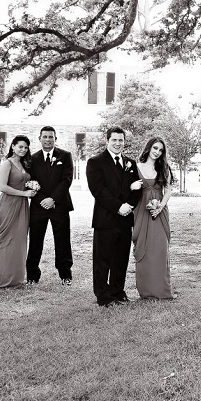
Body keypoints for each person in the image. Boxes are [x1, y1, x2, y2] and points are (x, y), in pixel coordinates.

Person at [86, 126, 141, 307]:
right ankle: (103, 295)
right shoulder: (95, 162)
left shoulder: (130, 163)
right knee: (102, 260)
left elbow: (137, 188)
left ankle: (118, 292)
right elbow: (99, 190)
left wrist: (130, 205)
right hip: (105, 218)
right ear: (107, 141)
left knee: (121, 258)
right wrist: (119, 206)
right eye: (114, 140)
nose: (118, 143)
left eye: (121, 140)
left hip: (125, 219)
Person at [0, 135, 35, 288]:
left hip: (22, 206)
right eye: (20, 147)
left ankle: (16, 278)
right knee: (8, 240)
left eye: (26, 147)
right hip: (9, 204)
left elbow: (24, 183)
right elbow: (2, 187)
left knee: (19, 240)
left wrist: (31, 189)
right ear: (13, 146)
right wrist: (24, 193)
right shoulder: (7, 164)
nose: (23, 150)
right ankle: (3, 278)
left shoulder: (25, 164)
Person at [26, 126, 74, 285]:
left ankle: (65, 275)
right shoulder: (32, 158)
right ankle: (32, 276)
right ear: (39, 138)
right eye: (45, 137)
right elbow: (30, 181)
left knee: (63, 240)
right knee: (35, 241)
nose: (48, 140)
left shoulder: (65, 156)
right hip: (38, 206)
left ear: (55, 139)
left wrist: (52, 199)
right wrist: (42, 199)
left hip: (59, 205)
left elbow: (67, 180)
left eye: (51, 137)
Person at [132, 137, 176, 300]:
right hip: (141, 211)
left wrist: (160, 207)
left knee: (159, 250)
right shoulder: (136, 167)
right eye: (155, 148)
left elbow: (168, 190)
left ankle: (161, 290)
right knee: (143, 248)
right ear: (149, 147)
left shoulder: (164, 168)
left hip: (160, 212)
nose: (157, 152)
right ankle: (146, 291)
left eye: (161, 150)